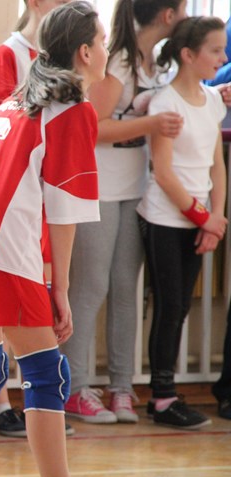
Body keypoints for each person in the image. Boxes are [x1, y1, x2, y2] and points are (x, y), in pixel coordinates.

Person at [0, 2, 107, 477]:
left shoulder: (18, 100)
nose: (107, 50)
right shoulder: (72, 109)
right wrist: (60, 288)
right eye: (103, 41)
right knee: (46, 374)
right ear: (85, 52)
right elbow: (65, 211)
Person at [63, 0, 187, 425]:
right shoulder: (116, 60)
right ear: (168, 14)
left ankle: (120, 387)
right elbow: (92, 126)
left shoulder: (157, 63)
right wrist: (150, 125)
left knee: (124, 289)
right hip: (96, 189)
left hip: (133, 190)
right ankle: (73, 388)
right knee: (90, 286)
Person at [0, 0, 70, 438]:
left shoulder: (60, 67)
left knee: (37, 309)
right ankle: (0, 403)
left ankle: (29, 406)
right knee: (1, 314)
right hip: (11, 204)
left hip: (38, 200)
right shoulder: (10, 53)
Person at [137, 15, 228, 430]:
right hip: (165, 219)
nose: (222, 58)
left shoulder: (212, 100)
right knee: (170, 306)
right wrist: (204, 218)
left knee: (181, 308)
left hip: (200, 219)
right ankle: (162, 398)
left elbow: (216, 164)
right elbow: (164, 174)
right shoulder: (165, 104)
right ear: (189, 55)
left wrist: (216, 216)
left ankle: (165, 395)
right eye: (215, 50)